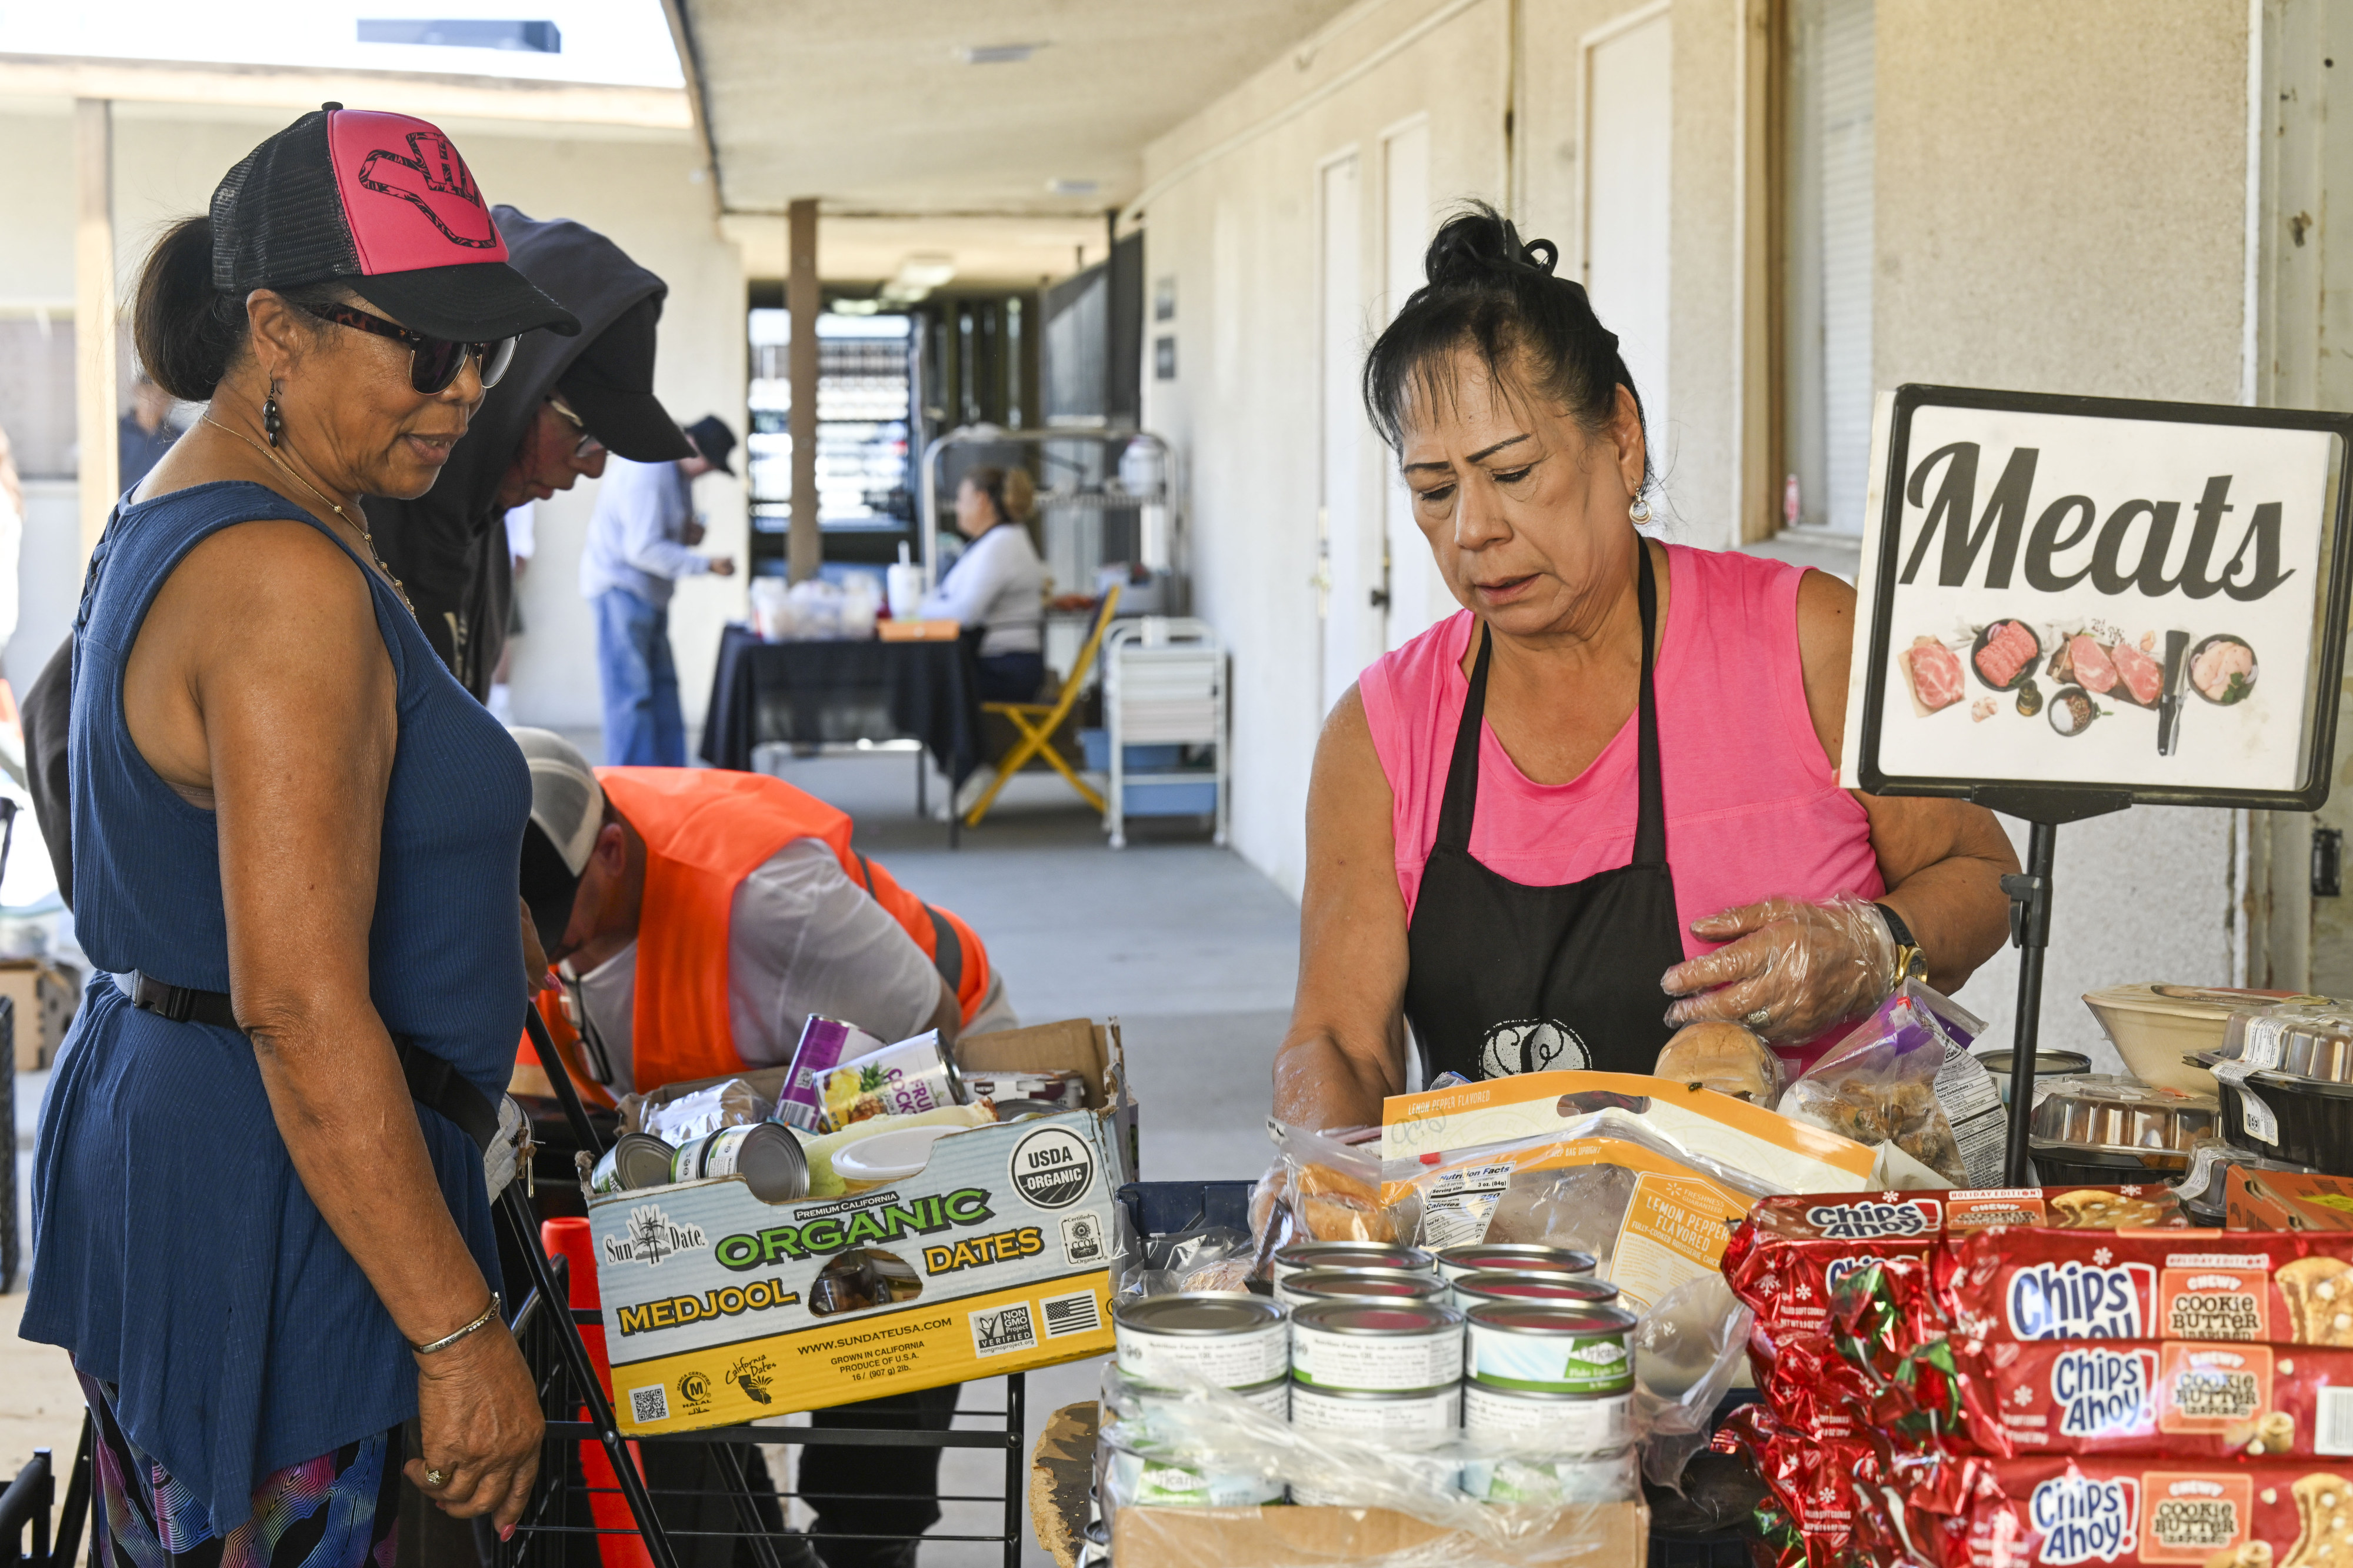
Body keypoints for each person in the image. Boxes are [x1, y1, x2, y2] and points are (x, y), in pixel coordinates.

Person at [21, 105, 576, 1565]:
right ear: (274, 327)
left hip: (208, 1140)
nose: (462, 391)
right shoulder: (277, 578)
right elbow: (297, 1001)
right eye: (423, 345)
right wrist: (456, 1328)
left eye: (486, 351)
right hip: (273, 1185)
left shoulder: (221, 509)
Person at [1274, 206, 2018, 1127]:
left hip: (1807, 1240)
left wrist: (1874, 942)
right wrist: (1317, 1173)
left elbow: (1985, 875)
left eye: (1511, 474)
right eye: (1434, 490)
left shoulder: (1808, 639)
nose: (1473, 530)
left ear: (1620, 439)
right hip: (1507, 1260)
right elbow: (1340, 1042)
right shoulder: (1382, 732)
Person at [510, 728, 1013, 1568]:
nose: (550, 958)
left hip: (897, 1070)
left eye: (562, 932)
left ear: (610, 852)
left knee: (876, 1280)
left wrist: (718, 1106)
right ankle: (745, 1535)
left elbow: (926, 1035)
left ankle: (869, 1542)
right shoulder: (523, 862)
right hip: (688, 1119)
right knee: (643, 1296)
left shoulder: (766, 894)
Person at [365, 212, 700, 697]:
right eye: (586, 434)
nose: (593, 466)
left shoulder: (483, 534)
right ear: (512, 390)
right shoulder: (354, 537)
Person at [579, 414, 738, 766]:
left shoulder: (674, 472)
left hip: (648, 594)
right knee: (631, 697)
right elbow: (644, 549)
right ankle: (634, 790)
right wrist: (706, 564)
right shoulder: (649, 471)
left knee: (663, 690)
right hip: (621, 589)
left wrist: (687, 537)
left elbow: (657, 536)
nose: (708, 472)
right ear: (692, 445)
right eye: (709, 464)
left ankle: (668, 780)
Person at [921, 465, 1047, 702]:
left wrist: (909, 612)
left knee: (921, 685)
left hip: (1006, 670)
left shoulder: (1002, 544)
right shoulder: (993, 541)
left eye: (960, 499)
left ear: (981, 500)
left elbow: (965, 613)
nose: (957, 508)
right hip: (998, 663)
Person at [117, 372, 184, 492]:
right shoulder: (116, 433)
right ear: (137, 390)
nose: (154, 400)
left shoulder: (178, 440)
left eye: (162, 396)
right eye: (149, 392)